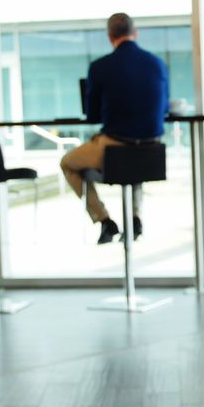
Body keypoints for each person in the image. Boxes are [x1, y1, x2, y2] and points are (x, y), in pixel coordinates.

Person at [61, 13, 168, 244]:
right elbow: (164, 107)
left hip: (114, 148)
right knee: (134, 166)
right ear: (135, 33)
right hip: (152, 149)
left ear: (111, 37)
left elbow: (93, 116)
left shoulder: (100, 67)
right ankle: (135, 218)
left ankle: (105, 220)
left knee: (68, 163)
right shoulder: (158, 64)